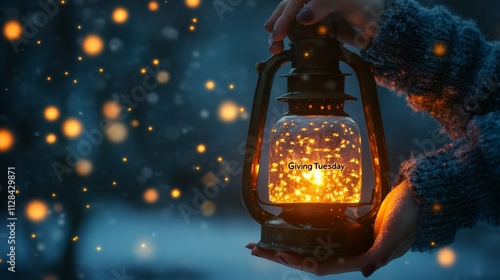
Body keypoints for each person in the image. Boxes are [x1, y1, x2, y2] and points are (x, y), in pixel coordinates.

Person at [246, 0, 500, 277]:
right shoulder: (298, 126)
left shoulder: (340, 126)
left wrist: (437, 192)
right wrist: (390, 30)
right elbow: (491, 91)